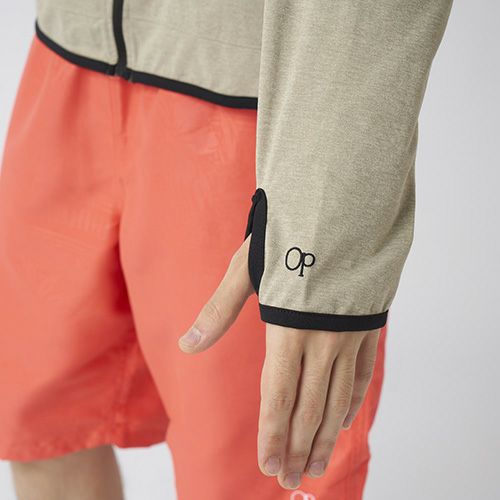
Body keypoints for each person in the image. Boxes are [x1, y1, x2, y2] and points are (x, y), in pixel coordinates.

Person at [0, 1, 452, 499]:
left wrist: (322, 243)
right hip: (66, 61)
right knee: (42, 434)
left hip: (256, 102)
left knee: (260, 475)